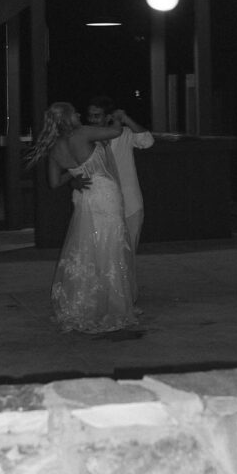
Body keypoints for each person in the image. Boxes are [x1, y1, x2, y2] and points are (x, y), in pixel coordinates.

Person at [26, 101, 137, 334]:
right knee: (110, 247)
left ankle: (87, 303)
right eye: (74, 112)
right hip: (105, 194)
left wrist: (74, 175)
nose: (78, 114)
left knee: (87, 247)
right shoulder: (83, 133)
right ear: (68, 117)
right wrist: (117, 117)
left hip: (85, 197)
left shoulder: (55, 148)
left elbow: (54, 182)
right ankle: (111, 305)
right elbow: (116, 132)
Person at [87, 96, 154, 253]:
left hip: (129, 200)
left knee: (129, 250)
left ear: (108, 117)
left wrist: (125, 118)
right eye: (90, 115)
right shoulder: (86, 137)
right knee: (103, 251)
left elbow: (147, 141)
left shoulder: (124, 134)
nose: (92, 119)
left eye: (97, 115)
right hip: (100, 202)